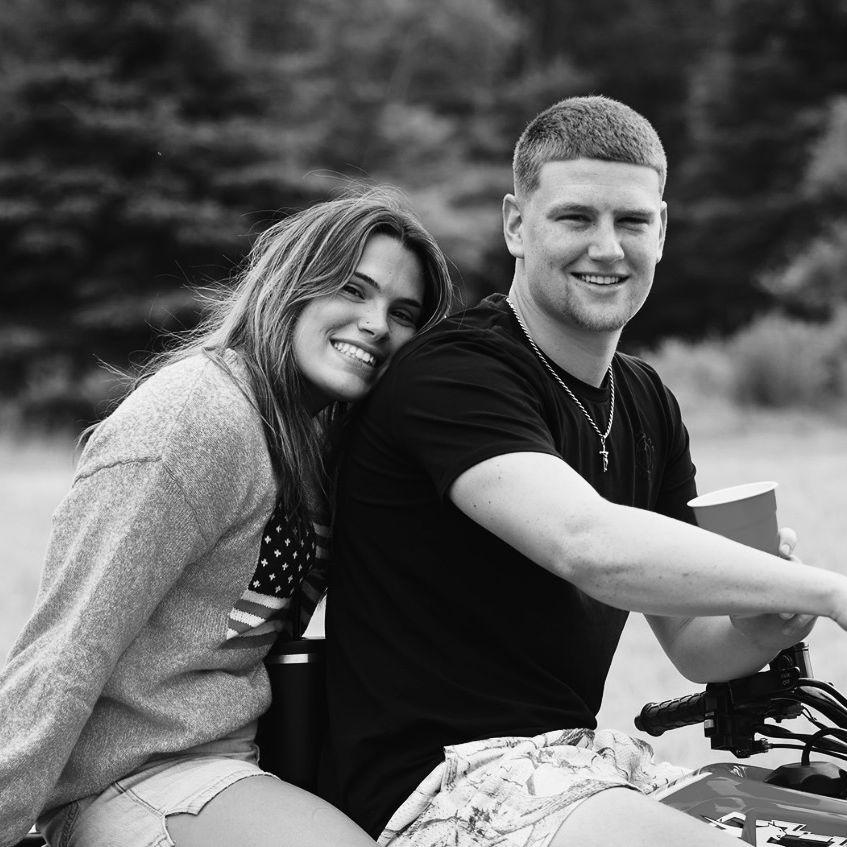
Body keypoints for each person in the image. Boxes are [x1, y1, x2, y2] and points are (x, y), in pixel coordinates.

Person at [322, 97, 847, 847]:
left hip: (583, 765)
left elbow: (695, 645)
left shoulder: (645, 399)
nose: (607, 247)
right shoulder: (454, 372)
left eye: (631, 221)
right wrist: (825, 591)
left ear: (660, 230)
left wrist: (761, 620)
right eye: (575, 218)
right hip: (443, 785)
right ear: (516, 225)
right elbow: (588, 545)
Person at [0, 190, 453, 847]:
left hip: (237, 767)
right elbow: (69, 645)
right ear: (288, 285)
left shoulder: (317, 440)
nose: (377, 324)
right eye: (352, 290)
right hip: (135, 777)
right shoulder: (196, 417)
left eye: (403, 313)